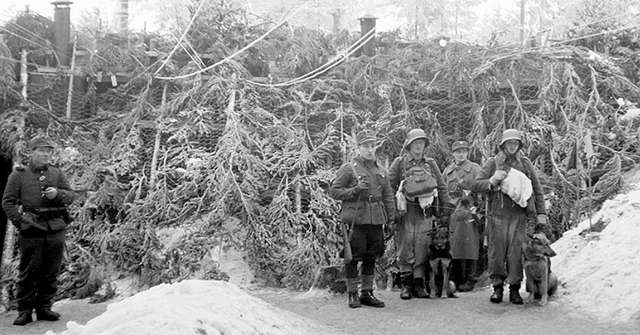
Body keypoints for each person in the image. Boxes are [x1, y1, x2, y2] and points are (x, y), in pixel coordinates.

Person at [2, 136, 76, 325]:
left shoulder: (56, 173)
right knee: (29, 271)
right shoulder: (18, 175)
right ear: (32, 152)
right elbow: (8, 202)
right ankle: (25, 311)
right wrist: (20, 222)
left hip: (55, 228)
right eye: (41, 150)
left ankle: (44, 308)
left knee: (51, 270)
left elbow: (70, 196)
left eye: (49, 151)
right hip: (32, 229)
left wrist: (57, 194)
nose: (46, 154)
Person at [471, 129, 548, 304]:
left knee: (515, 255)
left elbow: (537, 190)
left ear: (519, 145)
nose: (512, 146)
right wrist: (491, 181)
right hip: (496, 216)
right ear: (503, 145)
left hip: (518, 217)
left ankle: (514, 289)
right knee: (496, 254)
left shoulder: (525, 164)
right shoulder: (493, 163)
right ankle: (497, 288)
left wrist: (541, 213)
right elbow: (475, 184)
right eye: (509, 143)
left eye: (515, 143)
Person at [330, 130, 396, 308]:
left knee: (371, 256)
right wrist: (355, 190)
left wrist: (391, 218)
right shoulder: (349, 168)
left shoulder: (381, 170)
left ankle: (367, 292)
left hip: (376, 219)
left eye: (372, 146)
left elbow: (388, 195)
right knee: (353, 257)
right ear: (358, 147)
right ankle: (352, 294)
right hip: (356, 219)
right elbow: (334, 191)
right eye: (365, 146)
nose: (369, 149)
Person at [388, 128, 452, 300]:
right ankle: (406, 285)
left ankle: (419, 284)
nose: (418, 147)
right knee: (405, 246)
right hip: (406, 211)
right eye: (415, 143)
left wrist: (445, 209)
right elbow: (388, 186)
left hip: (426, 211)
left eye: (421, 143)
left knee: (422, 246)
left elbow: (441, 186)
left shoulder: (430, 163)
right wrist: (392, 211)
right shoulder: (400, 163)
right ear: (409, 145)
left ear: (425, 146)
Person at [442, 140, 483, 292]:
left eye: (463, 151)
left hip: (469, 210)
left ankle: (470, 278)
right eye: (457, 151)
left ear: (467, 152)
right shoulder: (448, 171)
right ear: (453, 154)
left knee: (470, 244)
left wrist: (478, 208)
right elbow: (443, 191)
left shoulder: (475, 169)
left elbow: (482, 188)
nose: (460, 154)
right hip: (454, 212)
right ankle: (456, 278)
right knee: (455, 244)